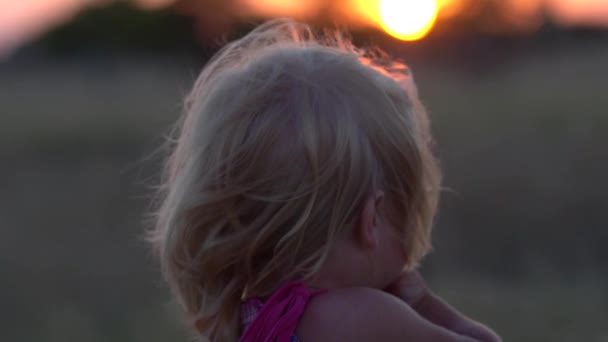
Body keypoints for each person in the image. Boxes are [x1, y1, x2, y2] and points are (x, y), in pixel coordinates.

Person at [149, 18, 501, 342]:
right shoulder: (362, 317)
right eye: (406, 213)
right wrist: (423, 301)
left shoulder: (249, 320)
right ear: (372, 218)